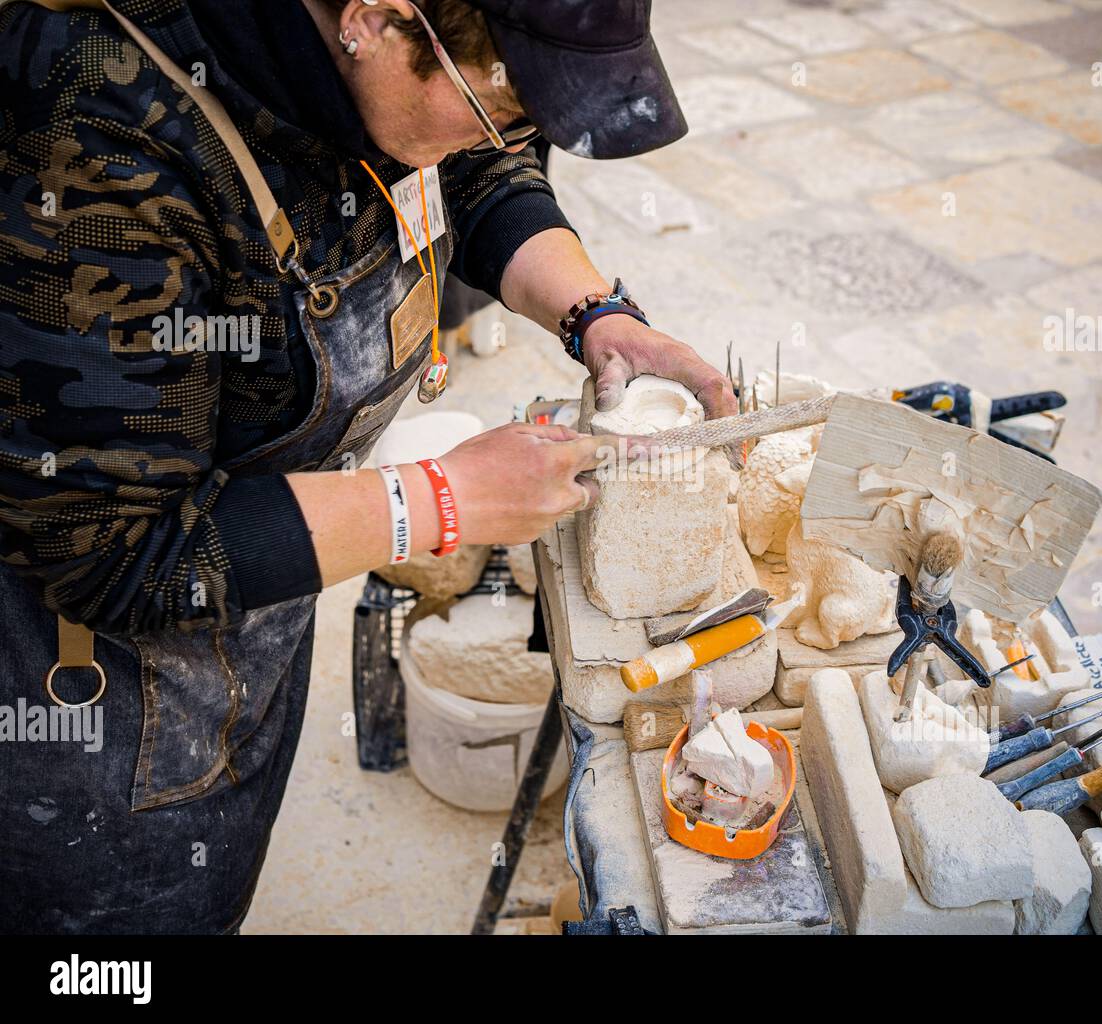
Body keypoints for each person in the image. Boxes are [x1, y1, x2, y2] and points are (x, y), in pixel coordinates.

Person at [0, 0, 735, 933]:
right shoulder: (99, 156)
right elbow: (115, 551)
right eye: (504, 105)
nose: (511, 140)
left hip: (242, 631)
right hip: (93, 709)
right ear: (377, 20)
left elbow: (467, 168)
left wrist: (599, 317)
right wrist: (436, 501)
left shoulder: (381, 76)